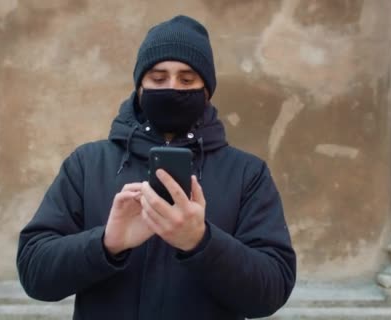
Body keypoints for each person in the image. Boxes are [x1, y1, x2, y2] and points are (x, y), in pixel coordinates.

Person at [17, 15, 296, 320]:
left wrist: (201, 242)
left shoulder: (247, 173)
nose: (172, 87)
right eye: (158, 78)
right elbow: (34, 272)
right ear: (139, 85)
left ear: (206, 89)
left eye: (187, 79)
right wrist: (107, 243)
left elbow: (272, 290)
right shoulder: (86, 164)